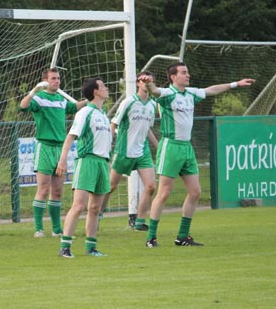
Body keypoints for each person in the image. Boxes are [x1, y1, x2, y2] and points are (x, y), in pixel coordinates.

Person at [139, 62, 256, 247]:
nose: (188, 75)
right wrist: (148, 83)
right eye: (184, 73)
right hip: (171, 147)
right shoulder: (169, 94)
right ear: (173, 77)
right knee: (164, 193)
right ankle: (151, 237)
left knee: (195, 192)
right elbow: (155, 91)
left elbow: (211, 90)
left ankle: (182, 236)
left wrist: (235, 84)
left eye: (188, 72)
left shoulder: (191, 93)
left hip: (186, 147)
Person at [19, 68, 87, 238]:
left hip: (61, 149)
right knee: (43, 189)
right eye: (53, 78)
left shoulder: (61, 100)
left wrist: (91, 99)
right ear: (45, 81)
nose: (57, 81)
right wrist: (34, 91)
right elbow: (23, 106)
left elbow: (75, 106)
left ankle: (57, 229)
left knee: (57, 191)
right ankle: (39, 228)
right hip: (44, 147)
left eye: (58, 78)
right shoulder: (40, 98)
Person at [57, 77, 112, 258]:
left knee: (95, 208)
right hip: (87, 161)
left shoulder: (103, 115)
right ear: (95, 91)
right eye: (103, 86)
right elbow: (70, 137)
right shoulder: (85, 113)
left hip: (102, 163)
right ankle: (65, 248)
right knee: (79, 205)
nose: (106, 88)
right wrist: (63, 160)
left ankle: (91, 248)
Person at [101, 71, 158, 231]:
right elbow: (114, 123)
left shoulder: (153, 105)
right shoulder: (129, 102)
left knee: (151, 186)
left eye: (150, 81)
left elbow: (147, 129)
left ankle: (139, 222)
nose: (147, 83)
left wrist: (158, 146)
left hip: (143, 152)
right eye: (144, 80)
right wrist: (107, 145)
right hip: (124, 150)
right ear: (138, 83)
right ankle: (97, 214)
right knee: (110, 186)